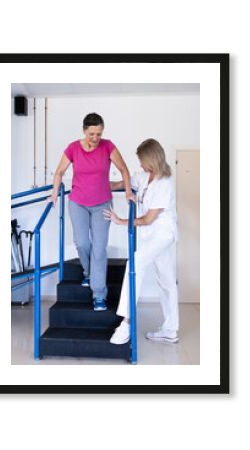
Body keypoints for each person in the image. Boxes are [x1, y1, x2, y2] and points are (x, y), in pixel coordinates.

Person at [49, 113, 133, 311]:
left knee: (99, 248)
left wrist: (128, 192)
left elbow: (125, 170)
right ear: (84, 131)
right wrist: (54, 194)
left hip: (102, 204)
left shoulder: (108, 146)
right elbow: (59, 172)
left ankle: (99, 294)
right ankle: (87, 272)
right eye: (92, 134)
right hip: (77, 203)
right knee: (82, 243)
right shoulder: (73, 148)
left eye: (99, 133)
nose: (95, 138)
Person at [103, 138, 179, 343]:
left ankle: (126, 323)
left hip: (162, 235)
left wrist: (120, 221)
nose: (140, 164)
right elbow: (120, 183)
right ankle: (170, 330)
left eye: (142, 160)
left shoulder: (164, 184)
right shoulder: (145, 177)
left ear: (151, 159)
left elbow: (147, 219)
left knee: (134, 264)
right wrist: (95, 185)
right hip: (151, 236)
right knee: (166, 281)